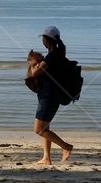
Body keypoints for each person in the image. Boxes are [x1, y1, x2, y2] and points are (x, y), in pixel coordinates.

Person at [27, 26, 73, 165]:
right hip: (50, 95)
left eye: (43, 37)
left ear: (46, 39)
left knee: (39, 129)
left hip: (49, 96)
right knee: (45, 128)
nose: (42, 40)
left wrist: (32, 64)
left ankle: (66, 147)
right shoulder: (59, 52)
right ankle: (46, 158)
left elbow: (35, 72)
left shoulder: (52, 56)